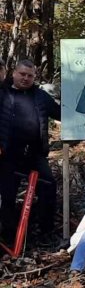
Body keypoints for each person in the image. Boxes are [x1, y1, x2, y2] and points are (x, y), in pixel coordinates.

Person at [0, 59, 61, 242]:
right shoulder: (2, 93)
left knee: (48, 185)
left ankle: (44, 231)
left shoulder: (41, 96)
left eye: (30, 75)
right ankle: (9, 236)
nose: (26, 78)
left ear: (35, 76)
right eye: (22, 74)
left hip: (35, 153)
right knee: (8, 194)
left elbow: (61, 113)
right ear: (14, 73)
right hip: (8, 153)